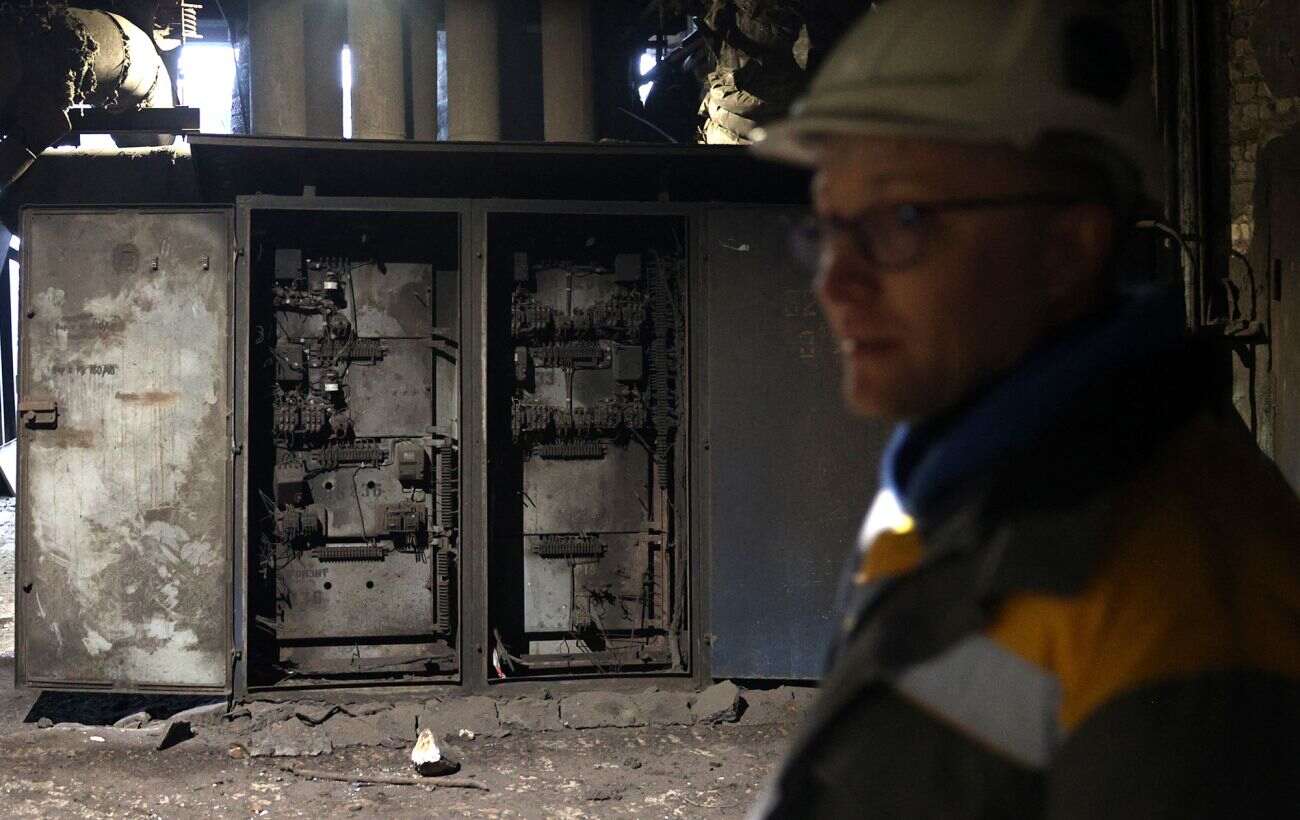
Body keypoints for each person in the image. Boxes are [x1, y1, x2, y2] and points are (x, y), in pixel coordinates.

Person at [748, 0, 1300, 817]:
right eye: (830, 227)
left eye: (902, 220)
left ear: (1065, 248)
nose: (836, 282)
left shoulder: (1190, 596)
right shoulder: (953, 492)